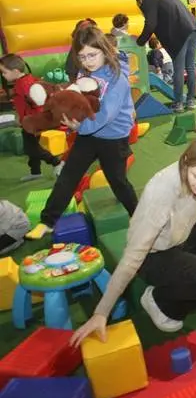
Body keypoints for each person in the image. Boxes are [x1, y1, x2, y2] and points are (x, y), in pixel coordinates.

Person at [70, 135, 196, 345]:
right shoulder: (162, 189)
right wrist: (101, 312)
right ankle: (161, 301)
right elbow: (133, 255)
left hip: (180, 238)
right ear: (186, 162)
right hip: (152, 255)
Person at [26, 26, 139, 240]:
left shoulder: (117, 79)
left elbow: (107, 114)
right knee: (69, 175)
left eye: (92, 55)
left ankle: (137, 214)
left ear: (105, 51)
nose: (87, 61)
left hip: (113, 137)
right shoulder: (84, 73)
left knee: (117, 180)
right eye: (82, 56)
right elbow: (78, 100)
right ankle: (48, 221)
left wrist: (80, 127)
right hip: (88, 135)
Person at [136, 0, 196, 113]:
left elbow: (150, 24)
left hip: (180, 34)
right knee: (190, 67)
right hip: (194, 30)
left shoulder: (149, 0)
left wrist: (140, 42)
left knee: (178, 68)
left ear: (141, 1)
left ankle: (178, 103)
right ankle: (190, 101)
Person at [0, 54, 63, 182]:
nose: (3, 75)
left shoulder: (25, 85)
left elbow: (37, 104)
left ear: (15, 71)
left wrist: (32, 121)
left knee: (31, 148)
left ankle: (56, 162)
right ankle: (35, 172)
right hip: (28, 121)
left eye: (4, 72)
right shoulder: (23, 81)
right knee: (32, 147)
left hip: (33, 122)